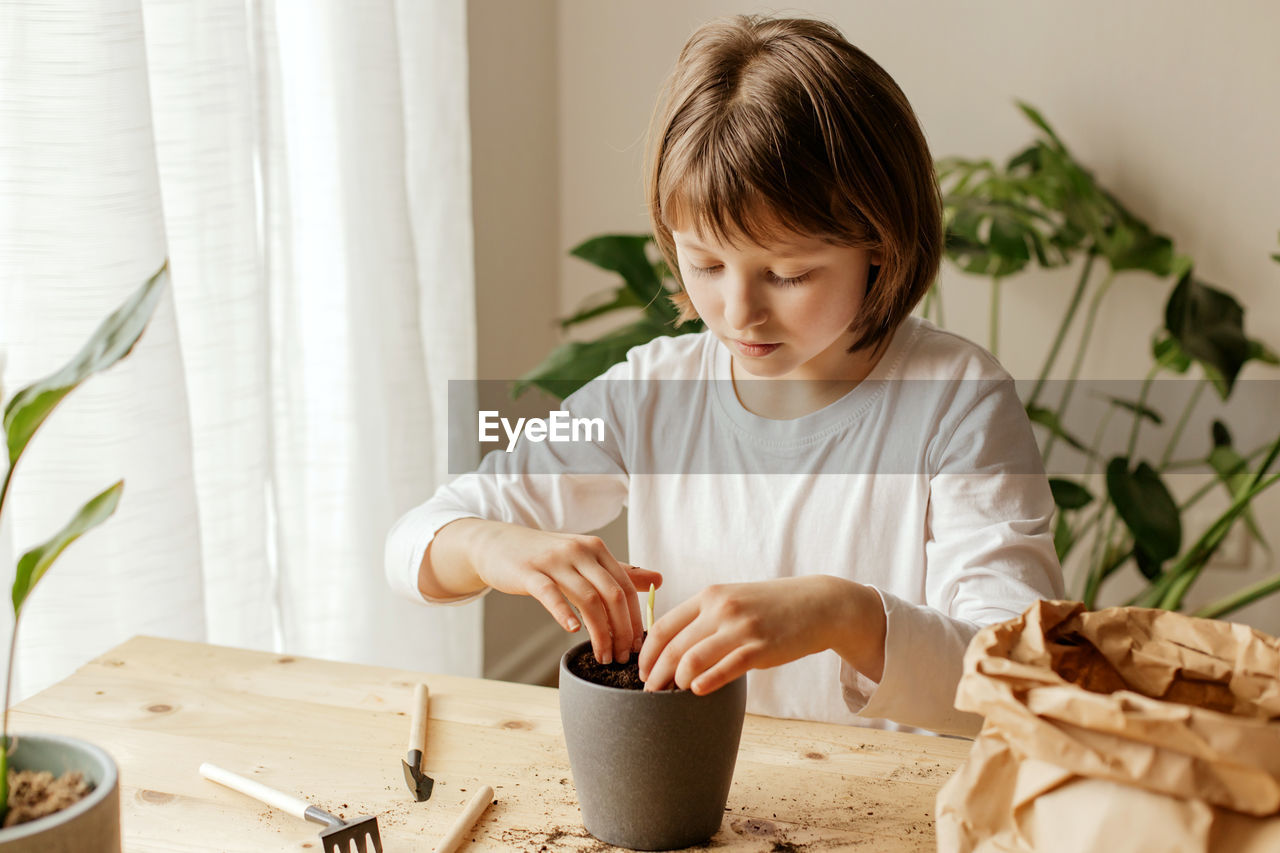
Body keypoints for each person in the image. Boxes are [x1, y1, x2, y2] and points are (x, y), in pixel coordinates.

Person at [386, 14, 1063, 737]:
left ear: (881, 242)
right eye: (705, 264)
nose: (740, 313)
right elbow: (412, 545)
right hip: (698, 802)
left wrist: (842, 613)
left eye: (788, 272)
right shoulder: (652, 394)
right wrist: (494, 546)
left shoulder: (957, 401)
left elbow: (1021, 679)